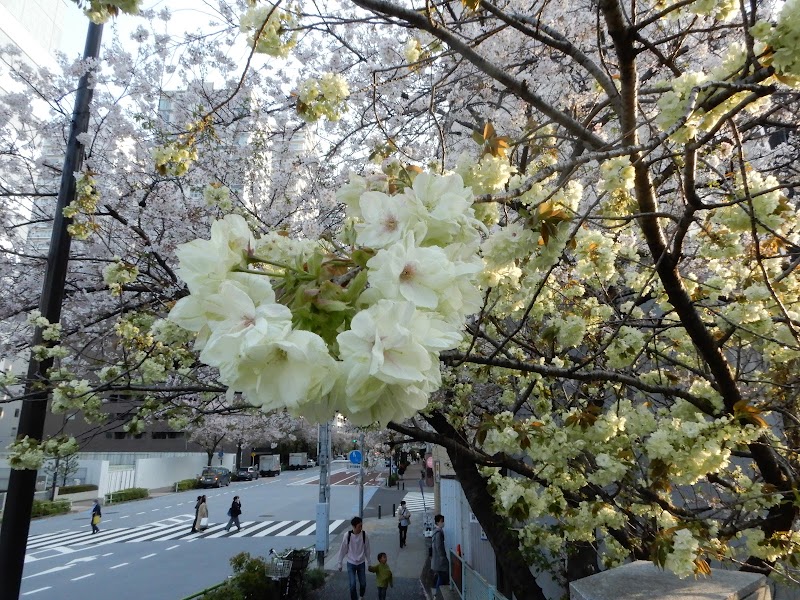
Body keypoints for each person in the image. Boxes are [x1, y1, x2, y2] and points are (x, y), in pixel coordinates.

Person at [337, 516, 371, 600]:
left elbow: (367, 549)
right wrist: (339, 563)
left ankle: (361, 596)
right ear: (354, 526)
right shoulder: (347, 535)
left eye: (361, 526)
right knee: (352, 585)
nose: (361, 528)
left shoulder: (364, 535)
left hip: (361, 563)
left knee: (363, 584)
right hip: (351, 563)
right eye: (359, 526)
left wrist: (369, 562)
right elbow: (343, 550)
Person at [431, 514, 449, 594]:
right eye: (442, 521)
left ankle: (436, 593)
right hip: (440, 560)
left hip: (436, 560)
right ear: (437, 522)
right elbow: (439, 546)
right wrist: (443, 557)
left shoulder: (435, 531)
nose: (443, 523)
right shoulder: (438, 533)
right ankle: (436, 594)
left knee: (441, 576)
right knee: (442, 577)